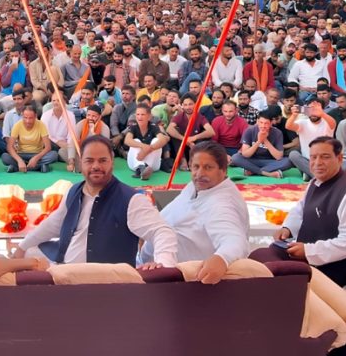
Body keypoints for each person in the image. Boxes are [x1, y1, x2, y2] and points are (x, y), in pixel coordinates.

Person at [14, 135, 178, 267]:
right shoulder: (74, 191)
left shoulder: (131, 200)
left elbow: (162, 231)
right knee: (28, 254)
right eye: (89, 160)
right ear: (81, 162)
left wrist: (164, 264)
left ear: (112, 162)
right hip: (63, 268)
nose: (96, 166)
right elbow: (54, 224)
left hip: (104, 282)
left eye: (102, 160)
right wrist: (22, 248)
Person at [252, 137, 346, 295]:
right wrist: (287, 228)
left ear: (340, 158)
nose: (318, 162)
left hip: (338, 267)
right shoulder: (315, 182)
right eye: (313, 157)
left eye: (325, 157)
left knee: (271, 271)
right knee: (264, 256)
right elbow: (301, 209)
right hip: (311, 255)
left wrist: (310, 251)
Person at [140, 141, 249, 284]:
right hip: (155, 259)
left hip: (182, 279)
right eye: (196, 167)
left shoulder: (221, 204)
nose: (200, 173)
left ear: (223, 170)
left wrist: (222, 259)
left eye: (208, 167)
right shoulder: (198, 187)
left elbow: (235, 242)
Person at [231, 111, 292, 178]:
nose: (263, 126)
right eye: (261, 122)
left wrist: (265, 140)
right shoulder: (249, 130)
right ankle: (266, 173)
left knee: (288, 161)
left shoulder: (277, 133)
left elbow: (278, 157)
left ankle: (253, 171)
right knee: (235, 158)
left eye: (266, 123)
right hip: (252, 160)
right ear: (257, 121)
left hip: (269, 161)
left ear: (271, 123)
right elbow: (245, 154)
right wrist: (259, 141)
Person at [286, 99, 336, 180]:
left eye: (316, 109)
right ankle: (318, 176)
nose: (313, 112)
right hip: (307, 161)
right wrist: (294, 115)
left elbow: (333, 123)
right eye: (310, 109)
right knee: (293, 154)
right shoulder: (303, 122)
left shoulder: (327, 122)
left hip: (325, 161)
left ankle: (309, 174)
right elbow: (288, 126)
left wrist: (321, 113)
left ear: (322, 110)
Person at [2, 105, 58, 173]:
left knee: (54, 155)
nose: (28, 121)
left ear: (35, 116)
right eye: (25, 118)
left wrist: (35, 158)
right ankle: (38, 167)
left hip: (37, 154)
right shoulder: (17, 125)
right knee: (4, 157)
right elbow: (9, 147)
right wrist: (19, 161)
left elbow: (48, 147)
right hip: (21, 154)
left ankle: (17, 167)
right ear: (22, 116)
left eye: (31, 118)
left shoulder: (41, 125)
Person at [124, 104, 169, 180]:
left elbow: (163, 140)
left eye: (143, 114)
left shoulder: (154, 127)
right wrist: (143, 146)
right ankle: (141, 168)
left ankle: (145, 169)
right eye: (138, 114)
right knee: (135, 141)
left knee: (156, 141)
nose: (139, 117)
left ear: (149, 116)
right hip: (135, 162)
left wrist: (148, 149)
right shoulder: (133, 127)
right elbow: (127, 140)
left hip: (153, 165)